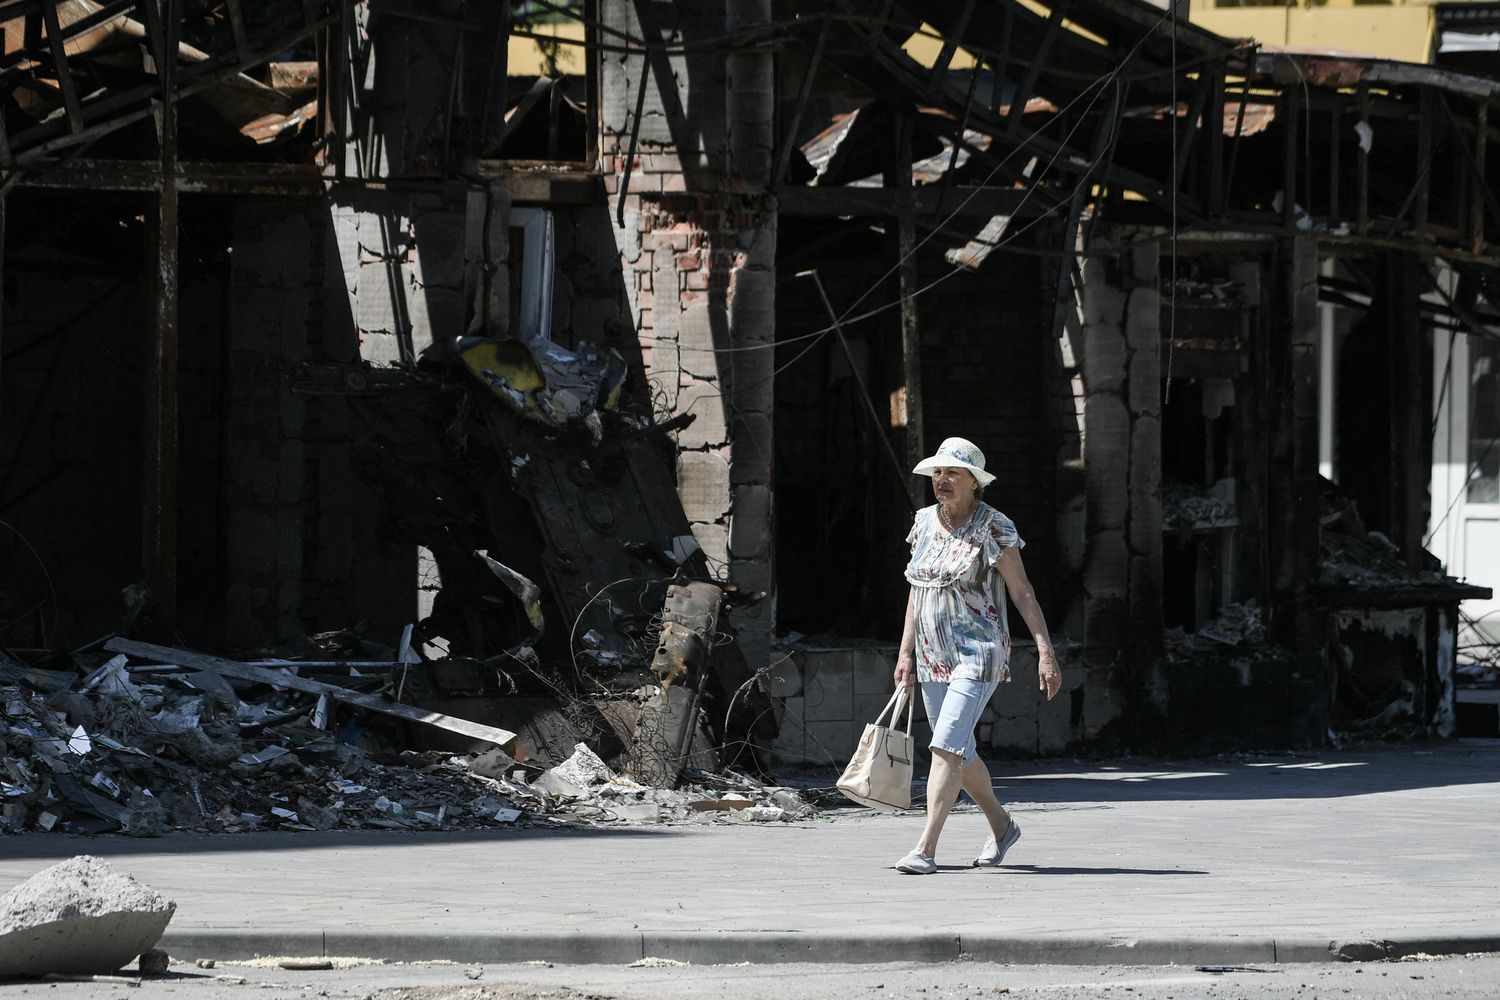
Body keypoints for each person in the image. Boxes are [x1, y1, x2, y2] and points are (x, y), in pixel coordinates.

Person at [892, 436, 1061, 875]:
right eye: (937, 473)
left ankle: (925, 849)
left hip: (979, 652)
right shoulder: (924, 522)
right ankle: (1003, 827)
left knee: (945, 746)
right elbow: (917, 588)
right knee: (960, 752)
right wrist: (906, 651)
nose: (942, 480)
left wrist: (1045, 651)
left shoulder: (994, 526)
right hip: (931, 654)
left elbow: (1022, 592)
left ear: (974, 482)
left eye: (953, 473)